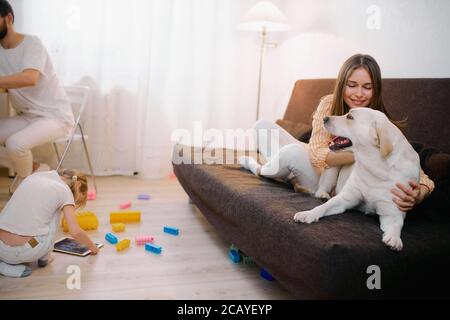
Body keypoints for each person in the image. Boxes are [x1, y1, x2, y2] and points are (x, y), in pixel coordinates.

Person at [239, 54, 434, 212]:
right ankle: (289, 173)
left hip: (328, 184)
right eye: (352, 85)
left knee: (291, 153)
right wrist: (360, 153)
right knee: (262, 126)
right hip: (316, 165)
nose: (358, 93)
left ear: (376, 90)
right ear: (342, 84)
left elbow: (419, 173)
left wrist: (418, 194)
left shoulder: (379, 125)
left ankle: (260, 169)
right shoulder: (329, 104)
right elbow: (316, 154)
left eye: (367, 87)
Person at [0, 0, 74, 194]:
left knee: (15, 144)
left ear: (8, 18)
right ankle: (33, 169)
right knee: (13, 144)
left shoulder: (32, 44)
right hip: (27, 116)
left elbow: (30, 78)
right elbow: (5, 86)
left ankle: (26, 189)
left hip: (55, 116)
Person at [0, 169, 99, 278]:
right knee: (55, 212)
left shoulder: (34, 176)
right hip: (27, 249)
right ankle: (44, 257)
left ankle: (4, 261)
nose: (74, 202)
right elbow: (75, 232)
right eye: (76, 200)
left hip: (1, 246)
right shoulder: (65, 191)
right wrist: (91, 246)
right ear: (78, 185)